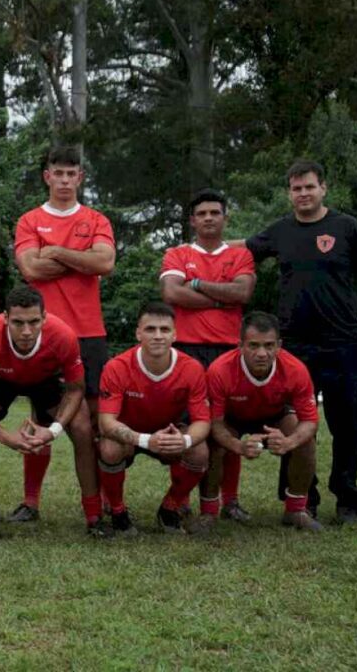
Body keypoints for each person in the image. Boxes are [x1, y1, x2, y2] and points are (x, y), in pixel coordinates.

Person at [243, 160, 357, 524]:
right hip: (294, 345)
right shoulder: (280, 231)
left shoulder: (346, 228)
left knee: (347, 423)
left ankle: (347, 498)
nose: (303, 194)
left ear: (323, 188)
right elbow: (244, 250)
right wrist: (202, 250)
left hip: (342, 340)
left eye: (309, 187)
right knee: (293, 421)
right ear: (289, 193)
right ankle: (302, 497)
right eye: (296, 189)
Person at [0, 286, 103, 539]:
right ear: (5, 318)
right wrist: (4, 436)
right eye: (17, 323)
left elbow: (75, 390)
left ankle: (95, 517)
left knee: (82, 426)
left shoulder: (62, 335)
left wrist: (53, 430)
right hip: (3, 377)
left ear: (44, 318)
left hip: (46, 379)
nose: (26, 331)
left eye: (34, 322)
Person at [14, 145, 115, 524]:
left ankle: (101, 502)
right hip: (44, 334)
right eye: (58, 173)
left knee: (90, 421)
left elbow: (104, 262)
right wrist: (79, 258)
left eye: (72, 174)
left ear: (81, 177)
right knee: (41, 417)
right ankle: (30, 502)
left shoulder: (96, 219)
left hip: (89, 333)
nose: (65, 180)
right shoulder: (29, 220)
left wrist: (54, 250)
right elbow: (31, 270)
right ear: (47, 176)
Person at [160, 188, 256, 522]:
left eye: (215, 212)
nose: (209, 218)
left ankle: (229, 501)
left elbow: (243, 291)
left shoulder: (240, 256)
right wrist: (221, 298)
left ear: (225, 218)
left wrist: (197, 284)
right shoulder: (176, 252)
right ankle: (183, 496)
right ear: (192, 220)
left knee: (227, 425)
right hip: (186, 349)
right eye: (202, 214)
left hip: (229, 349)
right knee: (186, 426)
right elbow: (172, 292)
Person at [96, 302, 211, 536]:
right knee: (108, 448)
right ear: (138, 332)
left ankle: (170, 507)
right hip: (131, 434)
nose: (158, 336)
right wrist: (146, 440)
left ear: (175, 334)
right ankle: (117, 511)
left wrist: (184, 440)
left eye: (164, 330)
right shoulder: (117, 366)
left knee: (199, 452)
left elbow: (203, 421)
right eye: (150, 329)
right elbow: (106, 422)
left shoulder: (192, 368)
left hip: (168, 433)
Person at [201, 312, 322, 531]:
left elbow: (310, 420)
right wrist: (237, 445)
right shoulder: (219, 370)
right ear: (240, 345)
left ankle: (295, 510)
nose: (262, 353)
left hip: (275, 415)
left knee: (306, 440)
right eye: (253, 345)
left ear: (279, 345)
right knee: (212, 443)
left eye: (269, 345)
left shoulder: (295, 369)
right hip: (232, 417)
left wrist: (290, 442)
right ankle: (208, 512)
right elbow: (216, 424)